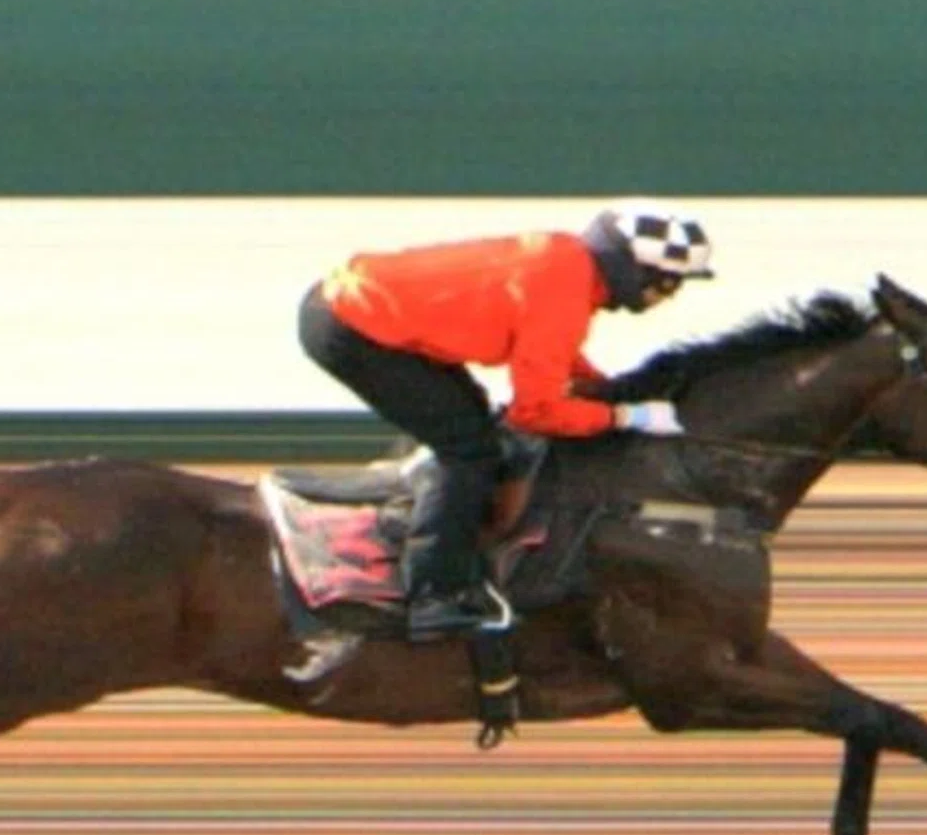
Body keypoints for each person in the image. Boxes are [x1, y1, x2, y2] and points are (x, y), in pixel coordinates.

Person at [297, 200, 714, 641]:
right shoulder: (565, 291)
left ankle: (426, 514)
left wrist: (603, 387)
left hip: (354, 308)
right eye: (668, 285)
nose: (667, 297)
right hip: (352, 329)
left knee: (474, 423)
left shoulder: (567, 262)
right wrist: (626, 414)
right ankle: (434, 597)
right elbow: (535, 411)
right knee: (469, 451)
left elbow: (549, 351)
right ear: (636, 272)